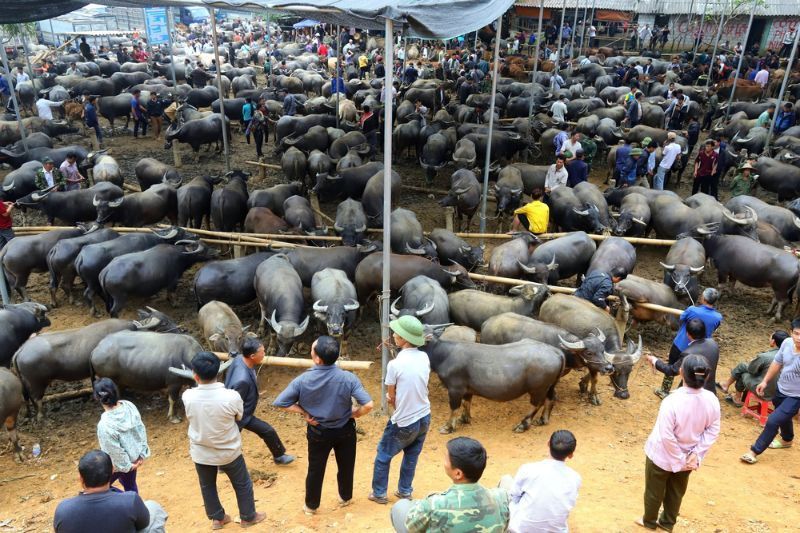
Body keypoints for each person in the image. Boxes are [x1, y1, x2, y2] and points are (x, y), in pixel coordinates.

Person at [273, 336, 374, 515]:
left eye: (312, 349)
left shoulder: (302, 380)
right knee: (346, 465)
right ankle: (345, 497)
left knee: (315, 469)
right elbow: (368, 405)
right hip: (345, 430)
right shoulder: (348, 378)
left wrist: (304, 413)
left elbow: (281, 402)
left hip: (318, 430)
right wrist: (354, 413)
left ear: (317, 358)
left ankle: (311, 506)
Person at [636, 355, 720, 532]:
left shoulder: (671, 401)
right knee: (676, 492)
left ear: (681, 373)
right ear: (706, 376)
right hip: (689, 458)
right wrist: (694, 454)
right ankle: (667, 524)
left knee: (654, 491)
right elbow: (712, 430)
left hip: (662, 456)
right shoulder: (712, 399)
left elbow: (666, 436)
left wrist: (677, 459)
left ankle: (649, 522)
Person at [182, 351, 266, 529]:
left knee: (207, 485)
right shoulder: (231, 396)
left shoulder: (187, 396)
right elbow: (239, 416)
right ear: (219, 373)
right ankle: (248, 516)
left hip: (201, 452)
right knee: (242, 483)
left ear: (195, 376)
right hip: (229, 451)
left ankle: (217, 518)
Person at [369, 316, 431, 505]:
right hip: (424, 416)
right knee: (411, 455)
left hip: (405, 420)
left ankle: (379, 493)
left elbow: (391, 395)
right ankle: (405, 491)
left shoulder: (394, 364)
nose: (393, 335)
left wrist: (392, 400)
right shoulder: (424, 356)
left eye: (396, 333)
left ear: (403, 339)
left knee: (383, 455)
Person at [390, 437, 509, 533]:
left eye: (446, 458)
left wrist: (418, 505)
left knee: (400, 506)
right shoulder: (500, 497)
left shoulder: (434, 503)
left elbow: (411, 527)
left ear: (458, 473)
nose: (444, 462)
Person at [53, 449, 167, 533]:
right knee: (153, 507)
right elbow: (144, 524)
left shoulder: (63, 509)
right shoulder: (130, 500)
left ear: (81, 478)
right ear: (112, 471)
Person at [225, 337, 295, 465]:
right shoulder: (242, 380)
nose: (264, 354)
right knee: (231, 440)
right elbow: (234, 404)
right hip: (239, 416)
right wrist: (234, 421)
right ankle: (223, 465)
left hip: (244, 412)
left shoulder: (240, 359)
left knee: (266, 431)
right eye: (262, 352)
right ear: (252, 356)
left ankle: (279, 456)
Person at [741, 318, 800, 464]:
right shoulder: (786, 344)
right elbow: (777, 362)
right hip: (781, 389)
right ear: (791, 333)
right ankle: (787, 440)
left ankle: (753, 451)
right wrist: (765, 381)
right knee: (782, 414)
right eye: (797, 334)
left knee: (773, 421)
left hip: (796, 396)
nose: (799, 338)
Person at [501, 430, 581, 533]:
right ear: (571, 455)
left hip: (520, 529)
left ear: (548, 443)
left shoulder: (528, 469)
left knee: (505, 480)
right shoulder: (575, 478)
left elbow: (514, 496)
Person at [655, 288, 722, 399]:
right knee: (692, 369)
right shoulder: (718, 317)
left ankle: (664, 390)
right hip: (701, 348)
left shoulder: (692, 310)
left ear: (703, 298)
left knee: (672, 365)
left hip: (680, 344)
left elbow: (681, 319)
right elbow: (715, 328)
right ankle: (683, 391)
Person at [93, 378, 150, 493]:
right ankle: (133, 506)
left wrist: (127, 466)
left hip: (118, 465)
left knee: (97, 489)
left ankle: (119, 500)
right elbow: (141, 429)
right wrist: (141, 454)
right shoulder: (129, 406)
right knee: (130, 485)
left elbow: (114, 451)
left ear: (98, 398)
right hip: (134, 457)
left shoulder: (105, 425)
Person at [647, 318, 720, 396]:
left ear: (688, 334)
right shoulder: (714, 344)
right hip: (710, 392)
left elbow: (671, 370)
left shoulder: (688, 352)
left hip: (690, 394)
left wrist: (654, 360)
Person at [718, 330, 789, 406]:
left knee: (743, 371)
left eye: (770, 337)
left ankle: (736, 398)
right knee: (744, 367)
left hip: (764, 391)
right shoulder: (792, 356)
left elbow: (752, 370)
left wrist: (754, 362)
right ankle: (726, 386)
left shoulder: (765, 356)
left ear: (773, 341)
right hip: (782, 392)